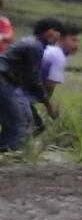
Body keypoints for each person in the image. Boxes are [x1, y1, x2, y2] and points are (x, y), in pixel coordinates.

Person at [0, 18, 64, 151]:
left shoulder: (32, 43)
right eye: (58, 31)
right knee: (19, 127)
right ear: (49, 32)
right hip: (3, 80)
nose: (59, 36)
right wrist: (48, 104)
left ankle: (9, 153)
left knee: (30, 124)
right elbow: (33, 79)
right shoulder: (35, 47)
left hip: (8, 83)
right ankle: (9, 157)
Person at [25, 23, 81, 134]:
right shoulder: (58, 56)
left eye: (78, 42)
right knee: (34, 127)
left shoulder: (49, 49)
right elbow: (50, 85)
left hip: (17, 90)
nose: (77, 45)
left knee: (30, 126)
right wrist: (49, 106)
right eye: (73, 40)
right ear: (61, 39)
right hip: (15, 91)